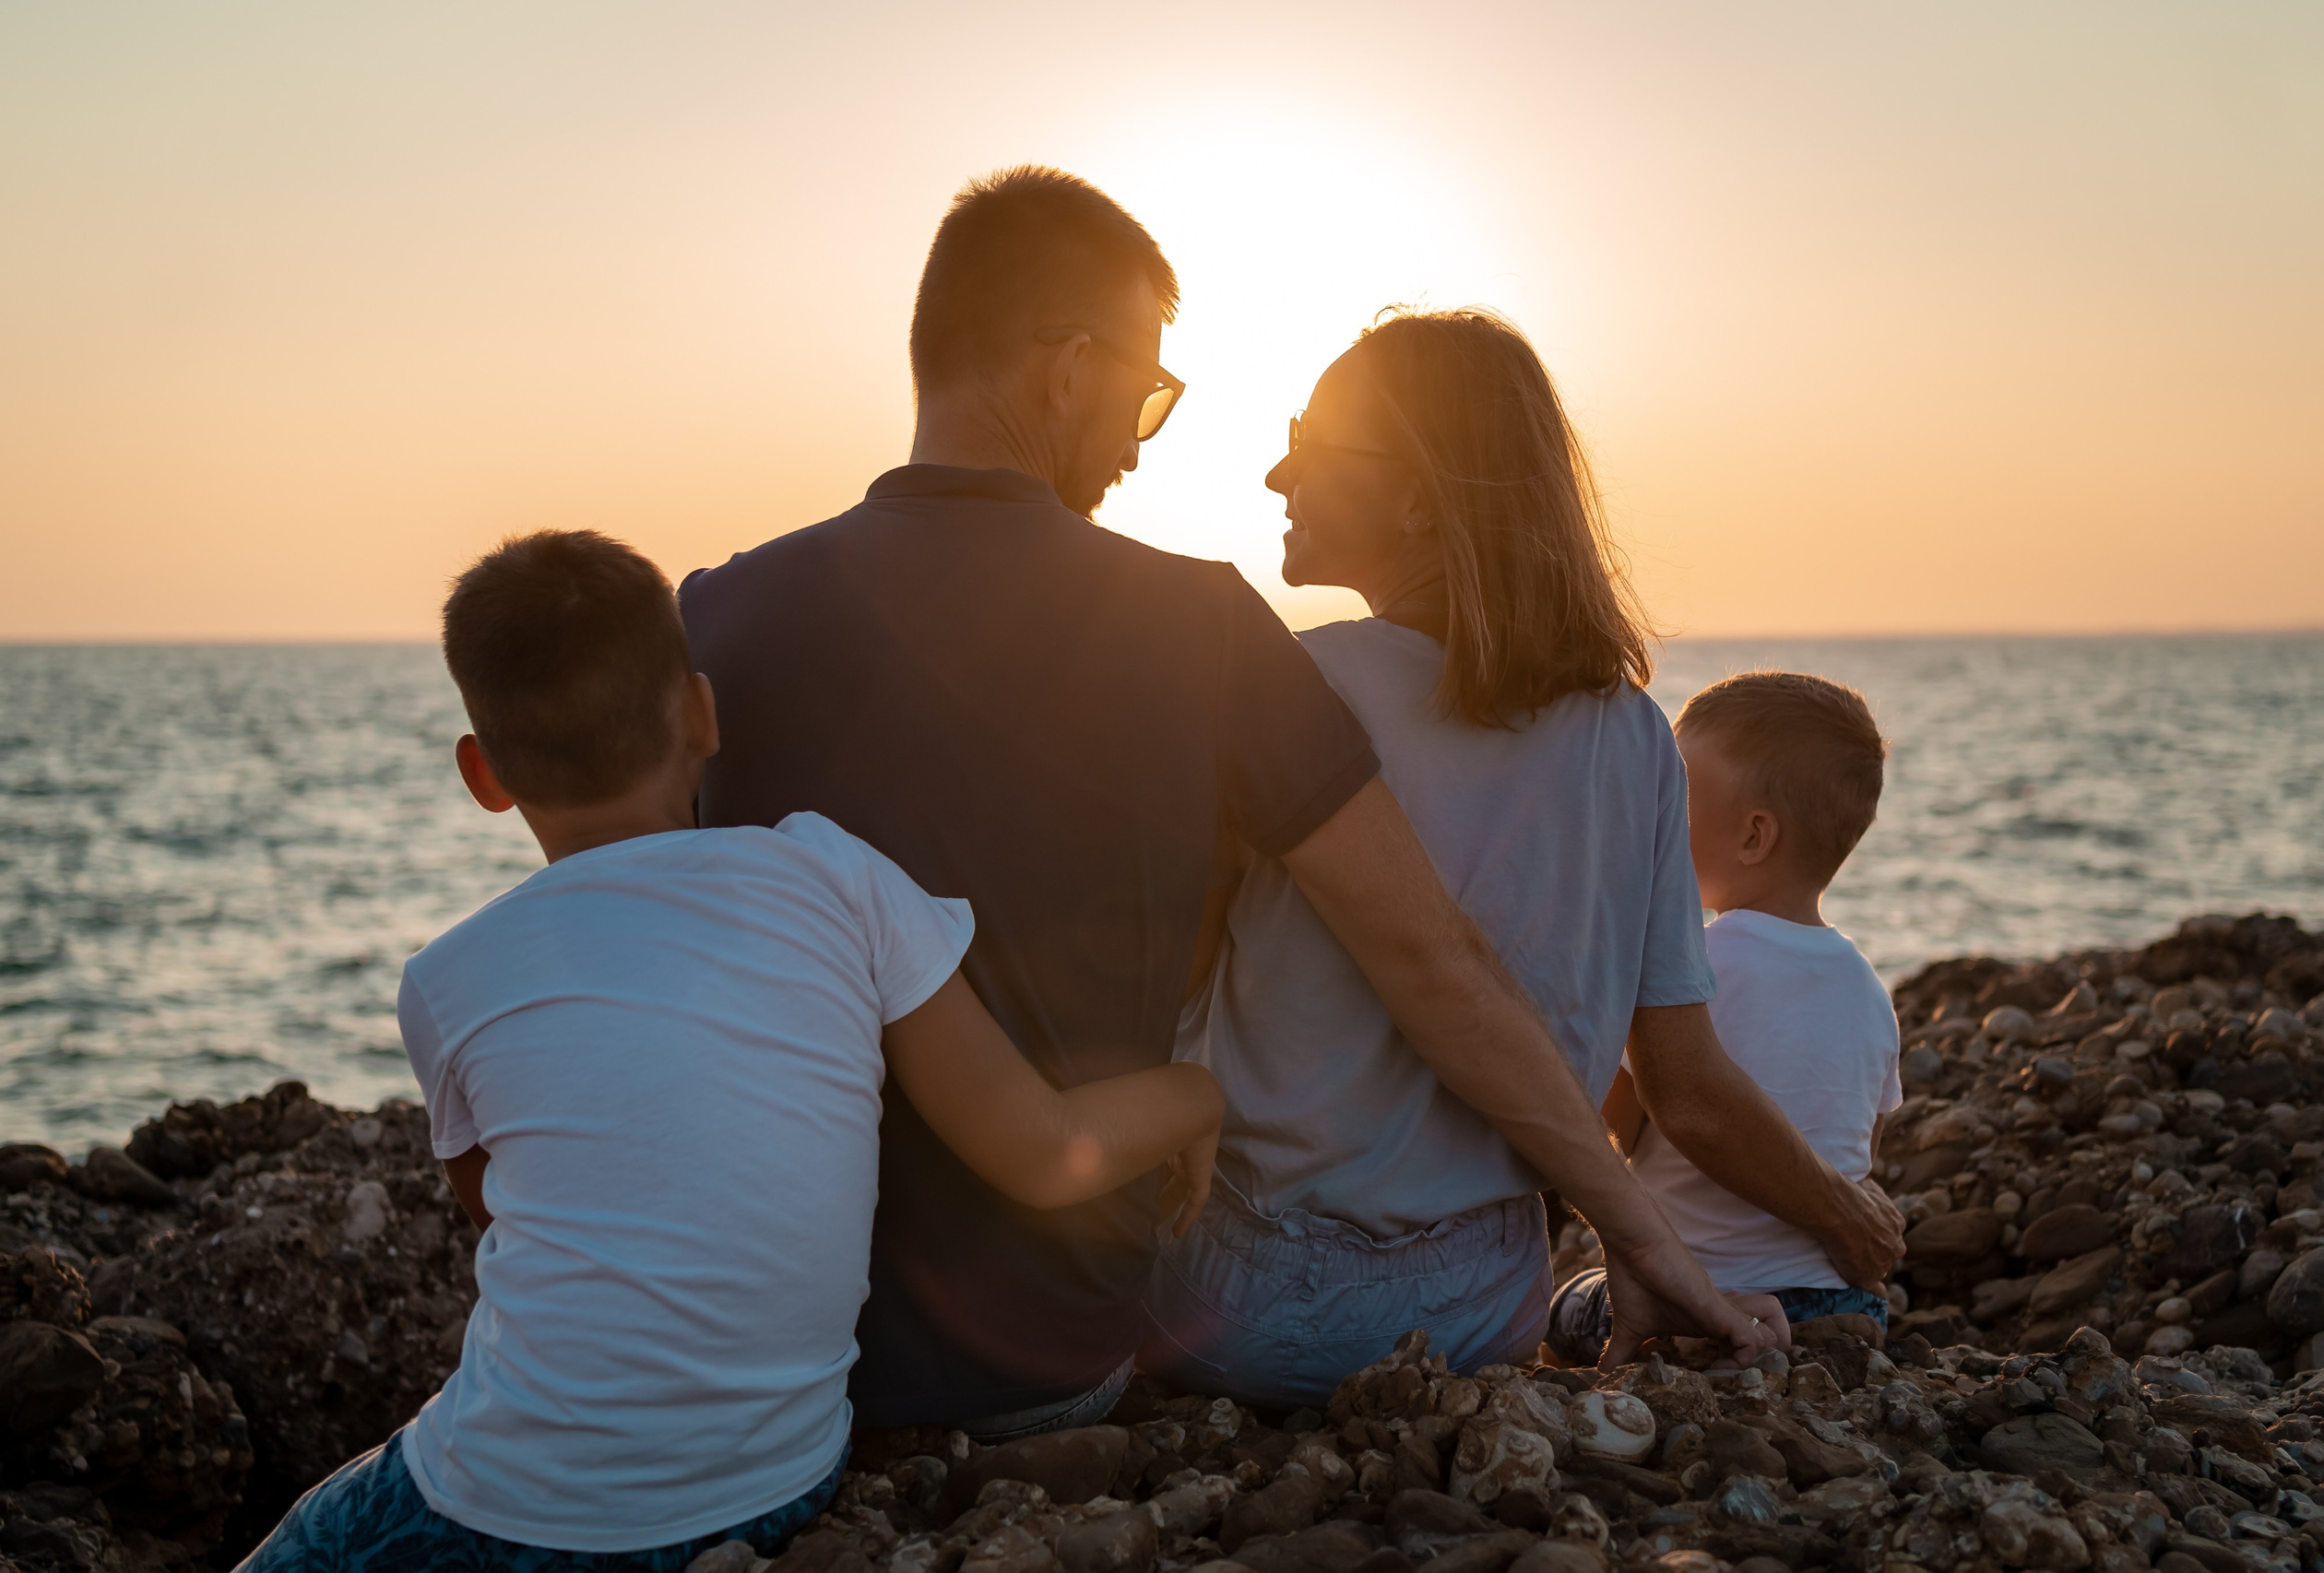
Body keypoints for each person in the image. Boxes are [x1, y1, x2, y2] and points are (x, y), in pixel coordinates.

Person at [681, 167, 1780, 1438]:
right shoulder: (1201, 629)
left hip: (764, 1349)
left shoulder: (712, 616)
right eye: (1148, 392)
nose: (1143, 438)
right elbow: (1427, 956)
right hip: (1051, 1359)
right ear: (1069, 370)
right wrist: (1638, 1230)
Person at [236, 530, 1224, 1572]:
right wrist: (1195, 1093)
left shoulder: (446, 979)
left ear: (482, 775)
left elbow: (508, 1222)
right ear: (702, 714)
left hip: (510, 1506)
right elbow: (1042, 1150)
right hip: (776, 1482)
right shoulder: (837, 879)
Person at [1138, 310, 1903, 1408]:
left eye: (1308, 439)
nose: (1276, 473)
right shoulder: (1634, 736)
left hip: (1253, 1299)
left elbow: (1152, 984)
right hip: (1488, 1298)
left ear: (1417, 496)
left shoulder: (1293, 690)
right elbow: (1683, 1082)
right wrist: (1832, 1210)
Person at [1552, 670, 1902, 1362]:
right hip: (1844, 1304)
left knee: (1556, 1304)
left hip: (1701, 1296)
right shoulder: (1869, 989)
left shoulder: (1689, 966)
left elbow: (1612, 1129)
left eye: (1674, 797)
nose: (1653, 814)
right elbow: (1857, 1152)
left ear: (1754, 837)